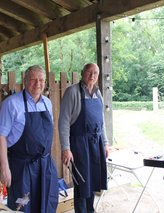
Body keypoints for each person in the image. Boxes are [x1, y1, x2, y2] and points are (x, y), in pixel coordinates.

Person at [0, 65, 58, 213]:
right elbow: (0, 136)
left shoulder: (47, 103)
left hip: (45, 165)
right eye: (33, 80)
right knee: (22, 206)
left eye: (41, 80)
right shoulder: (11, 103)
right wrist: (4, 167)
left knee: (47, 204)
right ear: (24, 81)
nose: (38, 83)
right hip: (22, 168)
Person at [58, 63, 109, 213]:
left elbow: (102, 121)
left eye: (95, 73)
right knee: (81, 183)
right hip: (79, 144)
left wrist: (105, 142)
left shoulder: (98, 93)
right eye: (89, 72)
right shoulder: (72, 92)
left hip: (96, 144)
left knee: (93, 180)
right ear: (82, 73)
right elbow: (64, 122)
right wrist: (66, 148)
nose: (92, 76)